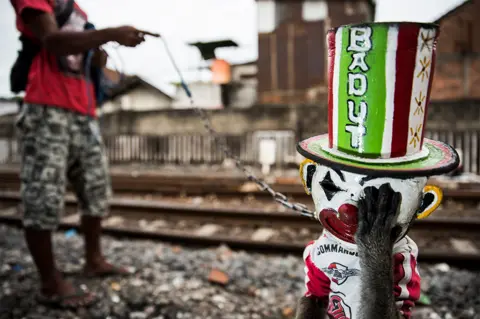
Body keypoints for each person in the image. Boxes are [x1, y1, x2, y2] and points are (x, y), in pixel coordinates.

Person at [9, 0, 159, 309]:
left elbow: (80, 54)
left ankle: (94, 259)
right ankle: (50, 283)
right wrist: (111, 34)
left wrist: (97, 56)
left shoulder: (76, 9)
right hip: (46, 107)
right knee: (43, 196)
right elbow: (52, 41)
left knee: (96, 190)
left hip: (84, 111)